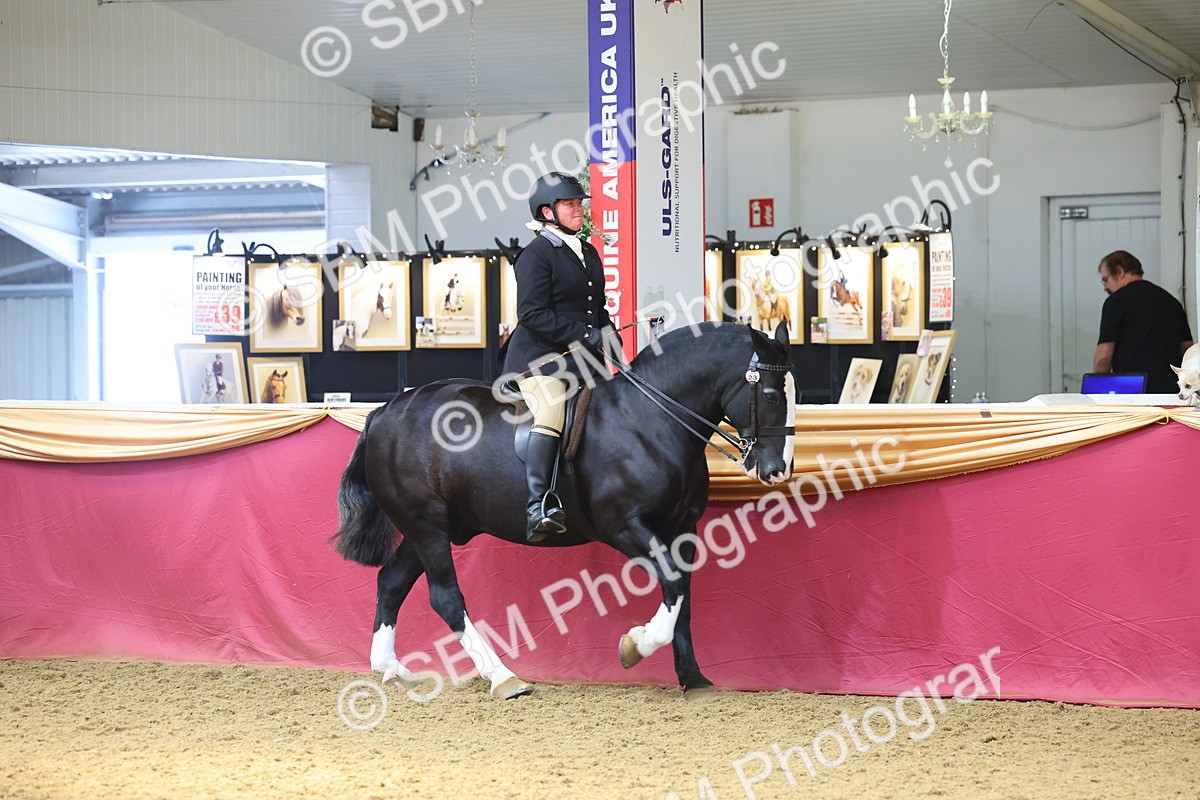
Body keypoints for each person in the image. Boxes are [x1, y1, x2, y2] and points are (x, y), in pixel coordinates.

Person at [502, 172, 616, 543]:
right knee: (551, 410)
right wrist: (585, 335)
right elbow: (532, 314)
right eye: (570, 204)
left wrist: (611, 339)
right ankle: (540, 505)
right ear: (547, 212)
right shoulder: (535, 254)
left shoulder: (588, 251)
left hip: (585, 362)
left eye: (579, 203)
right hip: (540, 360)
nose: (579, 209)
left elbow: (595, 309)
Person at [1094, 250, 1193, 393]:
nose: (1105, 288)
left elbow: (1103, 358)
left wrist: (1098, 393)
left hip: (1132, 394)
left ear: (1119, 271)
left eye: (1105, 280)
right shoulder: (1172, 302)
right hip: (1171, 395)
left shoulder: (1116, 302)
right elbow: (1188, 351)